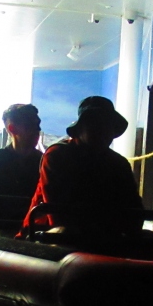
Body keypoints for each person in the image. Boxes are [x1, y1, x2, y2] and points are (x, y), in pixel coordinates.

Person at [20, 96, 143, 237]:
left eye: (108, 125)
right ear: (80, 129)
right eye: (95, 124)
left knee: (149, 239)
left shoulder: (119, 163)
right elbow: (58, 215)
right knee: (65, 233)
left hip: (102, 235)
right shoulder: (58, 155)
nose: (103, 131)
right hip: (44, 233)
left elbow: (134, 210)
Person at [0, 103, 43, 221]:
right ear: (12, 128)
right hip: (34, 227)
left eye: (37, 125)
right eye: (30, 125)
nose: (37, 130)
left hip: (5, 228)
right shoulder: (44, 163)